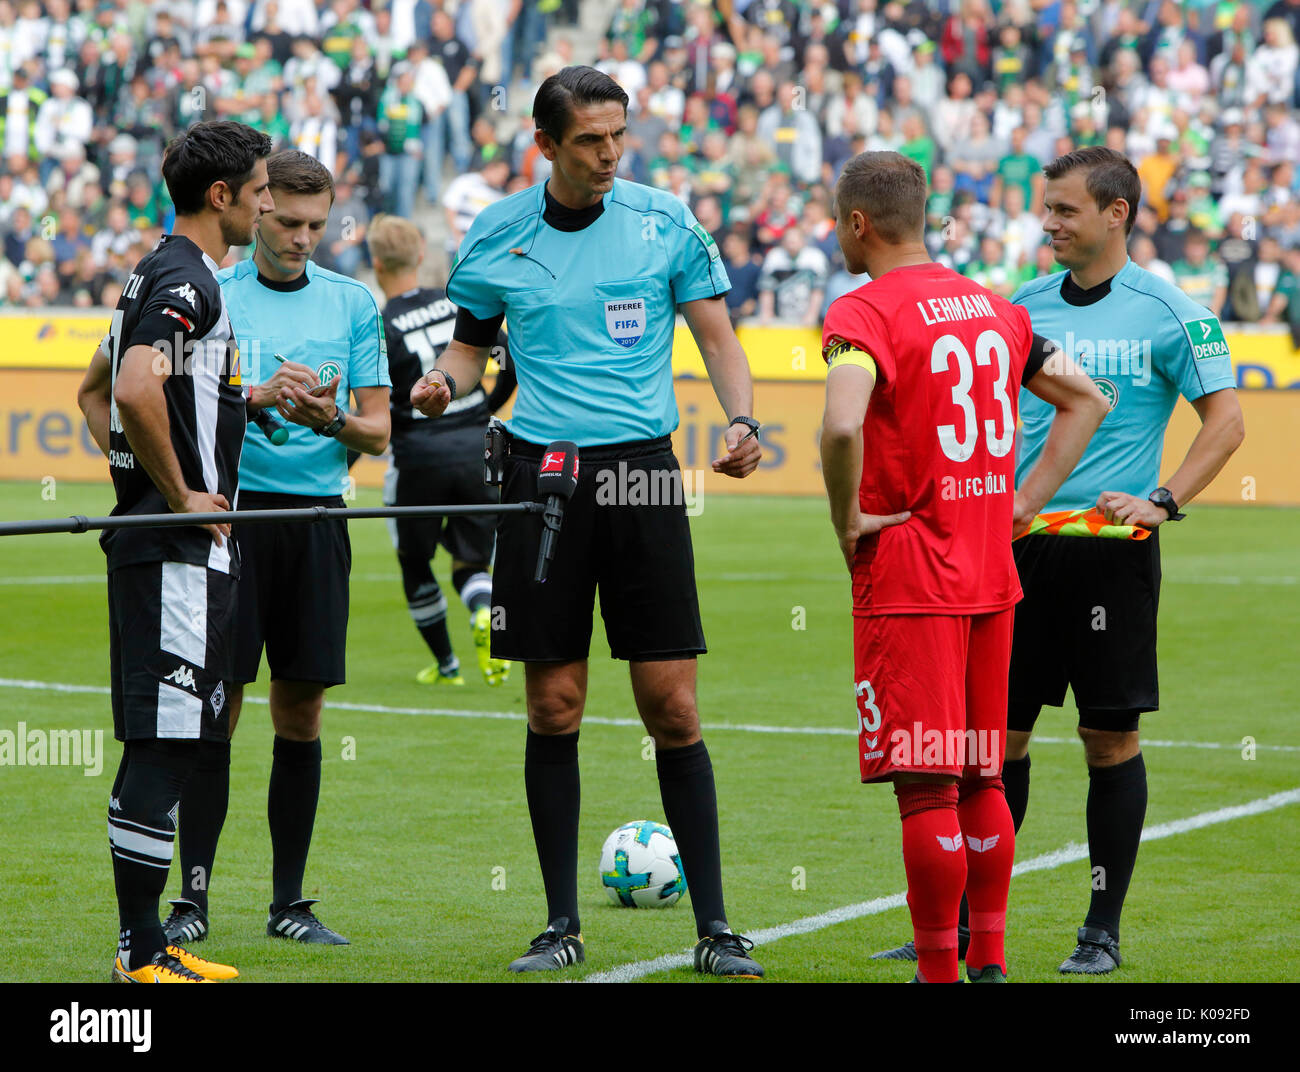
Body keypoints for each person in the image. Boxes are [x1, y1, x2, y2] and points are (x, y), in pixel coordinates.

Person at [409, 66, 765, 977]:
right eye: (589, 141)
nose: (610, 154)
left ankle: (718, 929)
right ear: (545, 145)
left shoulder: (665, 219)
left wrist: (741, 419)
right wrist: (443, 383)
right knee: (553, 704)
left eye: (618, 136)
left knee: (672, 707)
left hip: (644, 474)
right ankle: (560, 926)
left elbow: (718, 336)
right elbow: (468, 347)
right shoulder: (496, 235)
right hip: (541, 481)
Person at [873, 146, 1246, 974]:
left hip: (1110, 560)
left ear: (1117, 213)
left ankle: (1101, 928)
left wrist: (1164, 499)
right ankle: (969, 926)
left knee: (1107, 741)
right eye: (1045, 209)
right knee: (992, 745)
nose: (1047, 224)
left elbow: (1226, 421)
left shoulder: (1171, 308)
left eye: (1065, 210)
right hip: (1009, 551)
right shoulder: (1022, 305)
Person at [820, 150, 1108, 984]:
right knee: (985, 775)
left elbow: (842, 426)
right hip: (992, 576)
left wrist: (847, 518)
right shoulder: (995, 309)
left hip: (911, 574)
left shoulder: (861, 312)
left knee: (926, 790)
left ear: (858, 224)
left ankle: (938, 973)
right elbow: (1087, 397)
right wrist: (1023, 499)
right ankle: (988, 959)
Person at [164, 149, 392, 948]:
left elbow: (378, 432)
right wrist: (255, 400)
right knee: (215, 711)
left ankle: (288, 904)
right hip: (234, 519)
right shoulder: (211, 294)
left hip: (319, 523)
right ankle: (190, 900)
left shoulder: (354, 303)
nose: (302, 239)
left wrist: (325, 418)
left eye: (317, 226)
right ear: (257, 212)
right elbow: (174, 400)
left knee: (301, 714)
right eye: (289, 222)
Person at [75, 120, 275, 983]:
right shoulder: (189, 279)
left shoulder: (153, 273)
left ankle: (146, 946)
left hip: (158, 544)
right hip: (179, 555)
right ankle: (141, 954)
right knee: (166, 746)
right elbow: (126, 387)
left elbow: (95, 390)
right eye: (261, 191)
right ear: (222, 196)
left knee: (173, 739)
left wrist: (244, 399)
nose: (270, 205)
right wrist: (180, 492)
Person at [366, 212, 516, 686]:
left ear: (375, 263)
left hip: (419, 458)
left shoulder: (379, 325)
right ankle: (482, 613)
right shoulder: (456, 305)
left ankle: (447, 665)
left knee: (415, 560)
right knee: (473, 560)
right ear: (421, 256)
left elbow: (375, 407)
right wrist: (485, 405)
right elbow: (508, 358)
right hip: (479, 449)